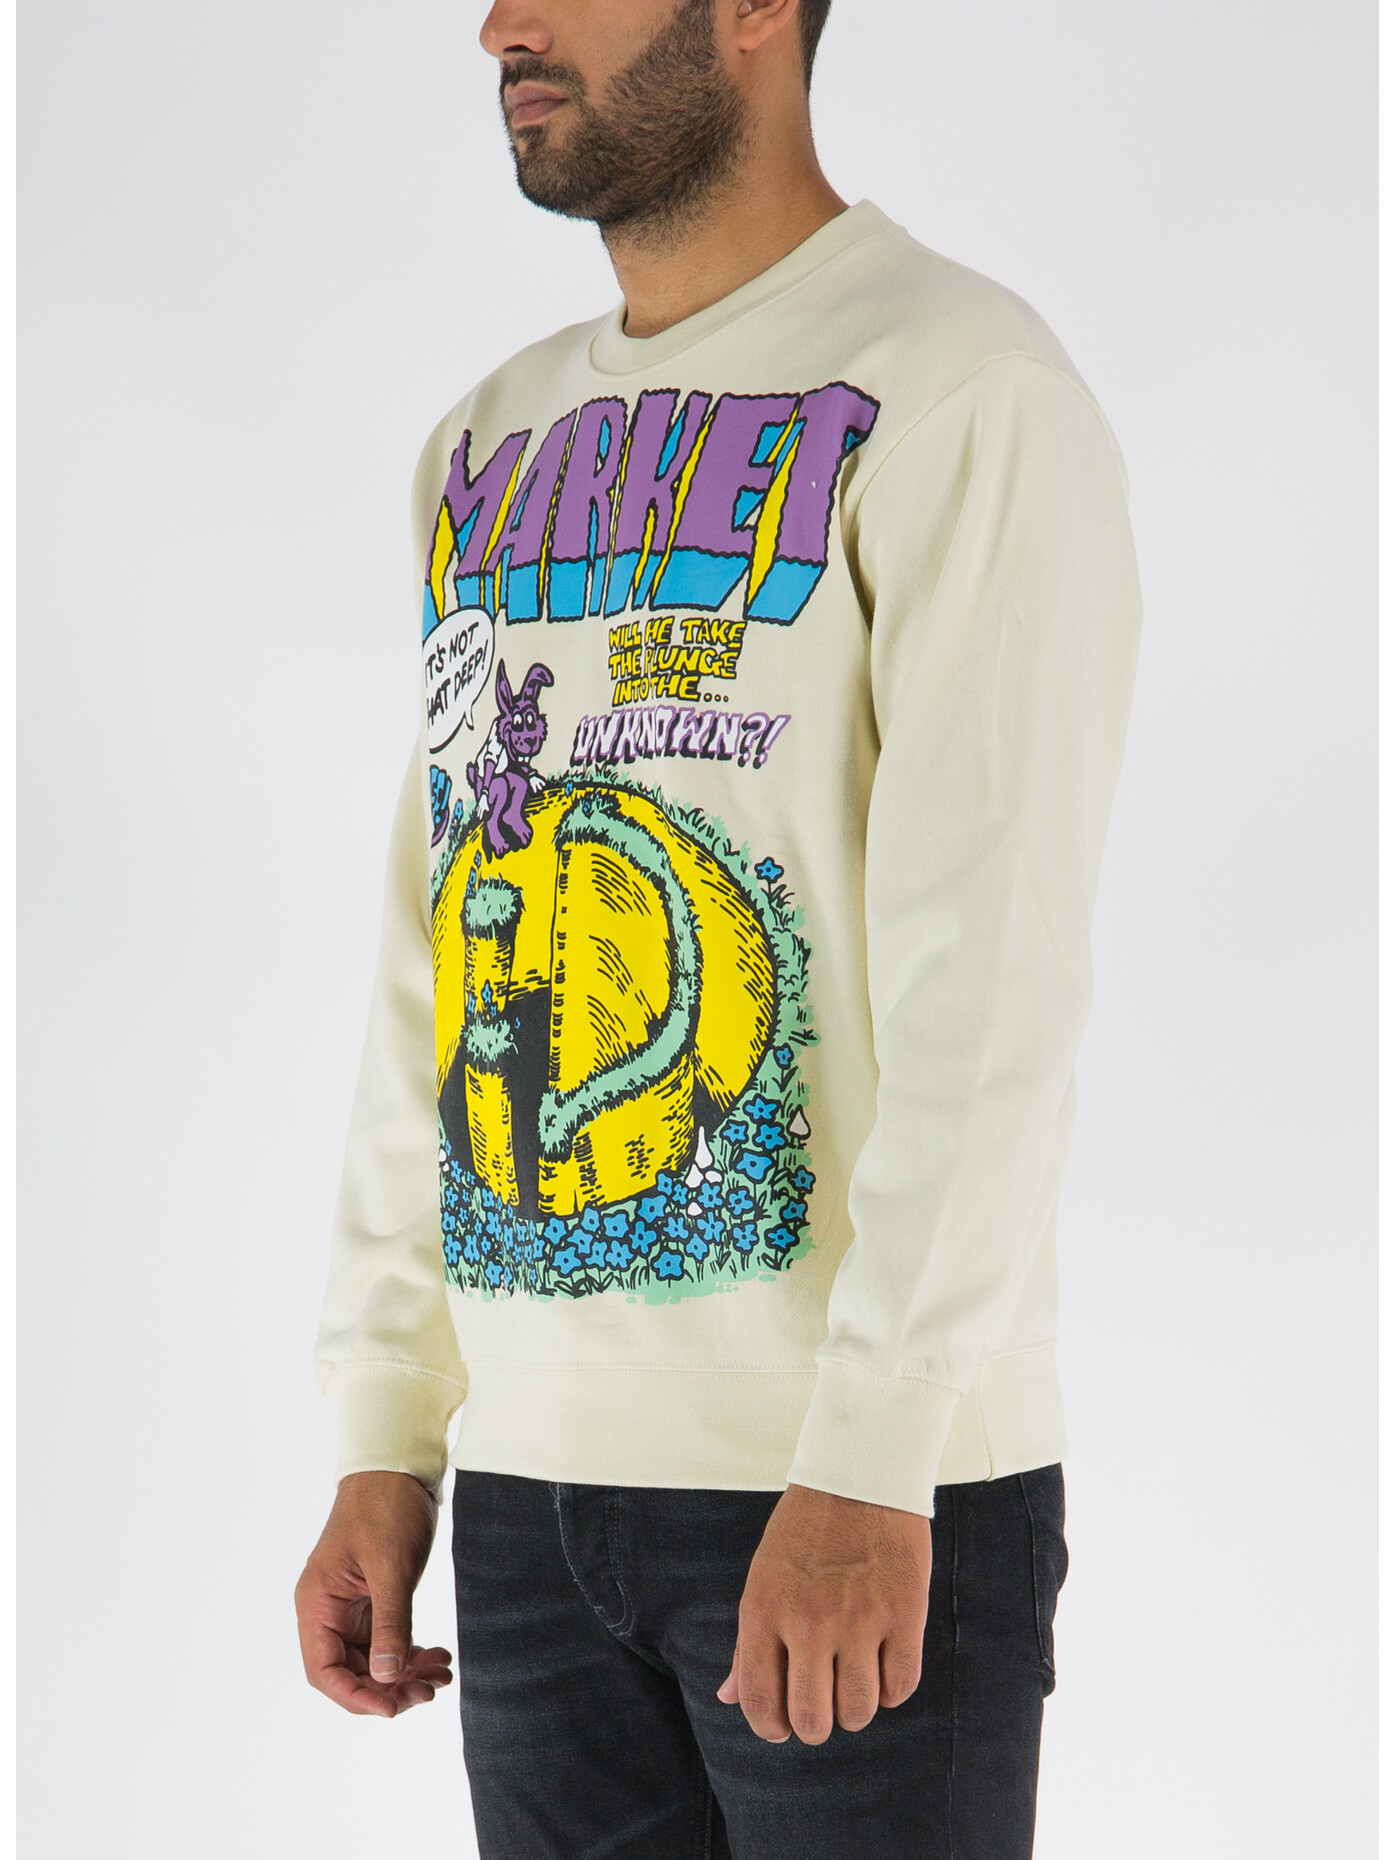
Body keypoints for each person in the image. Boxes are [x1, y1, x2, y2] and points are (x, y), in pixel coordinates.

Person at [294, 1, 1142, 1854]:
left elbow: (991, 967)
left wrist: (874, 1449)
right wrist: (389, 1416)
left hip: (848, 1486)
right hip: (527, 1495)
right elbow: (438, 949)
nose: (501, 25)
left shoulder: (960, 388)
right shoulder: (488, 441)